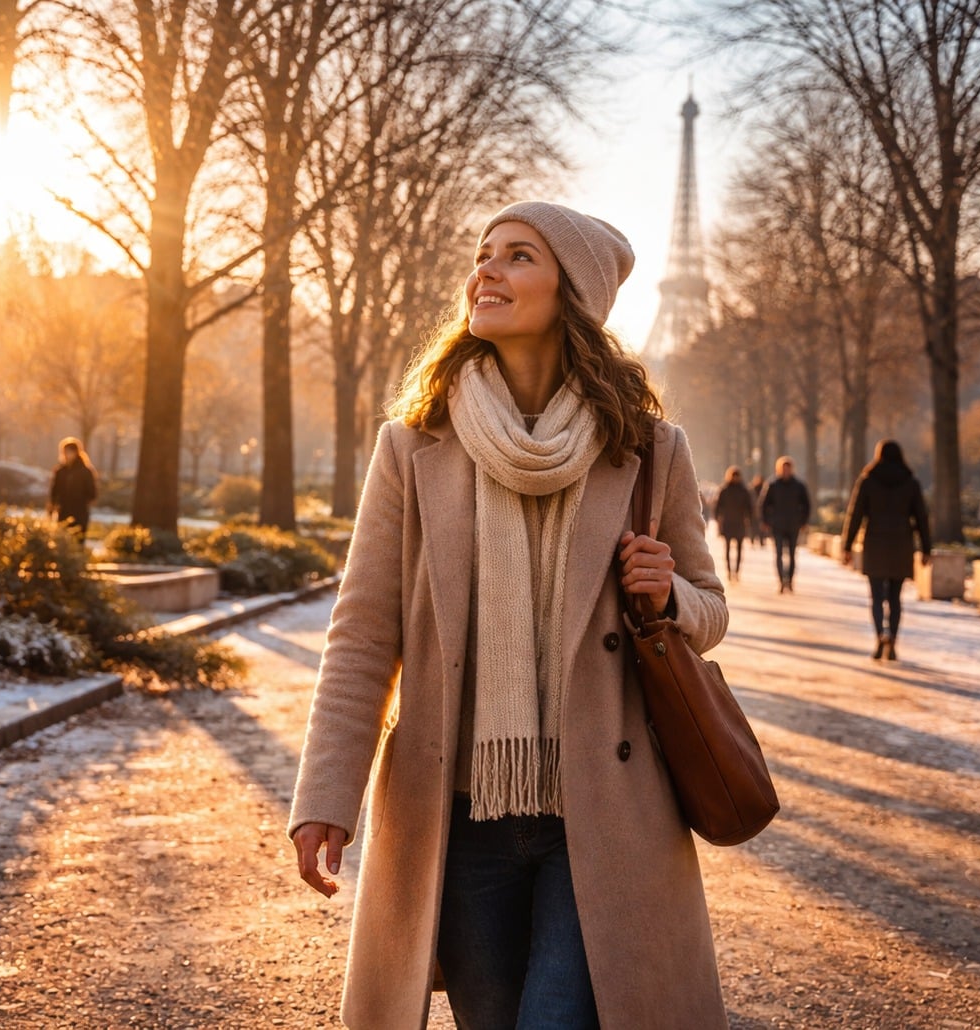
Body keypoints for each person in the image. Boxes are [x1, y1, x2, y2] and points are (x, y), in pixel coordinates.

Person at [288, 201, 729, 1028]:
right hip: (455, 816)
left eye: (518, 255)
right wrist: (326, 796)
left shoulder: (648, 450)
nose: (485, 270)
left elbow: (710, 615)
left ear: (574, 294)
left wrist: (670, 593)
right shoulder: (413, 448)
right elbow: (362, 635)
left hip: (601, 813)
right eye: (484, 254)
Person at [841, 439, 931, 661]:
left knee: (876, 597)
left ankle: (880, 635)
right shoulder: (910, 482)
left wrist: (848, 545)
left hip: (875, 543)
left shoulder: (868, 481)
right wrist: (927, 548)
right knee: (895, 598)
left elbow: (855, 514)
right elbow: (921, 518)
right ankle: (893, 640)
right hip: (901, 545)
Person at [760, 456, 811, 593]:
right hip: (777, 525)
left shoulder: (799, 485)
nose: (786, 471)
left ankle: (790, 580)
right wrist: (765, 521)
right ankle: (781, 580)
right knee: (778, 554)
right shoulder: (772, 484)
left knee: (793, 554)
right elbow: (764, 504)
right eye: (783, 468)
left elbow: (806, 505)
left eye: (788, 468)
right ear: (779, 469)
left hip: (794, 525)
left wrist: (804, 522)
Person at [47, 436, 97, 536]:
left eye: (69, 452)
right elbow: (54, 491)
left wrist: (82, 502)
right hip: (63, 512)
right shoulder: (60, 471)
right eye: (64, 452)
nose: (66, 455)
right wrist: (52, 507)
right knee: (63, 539)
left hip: (80, 513)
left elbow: (92, 493)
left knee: (78, 540)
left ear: (76, 452)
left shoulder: (85, 472)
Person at [713, 465, 754, 581]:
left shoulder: (744, 490)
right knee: (727, 548)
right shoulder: (724, 490)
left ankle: (737, 571)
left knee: (740, 548)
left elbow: (749, 507)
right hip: (728, 523)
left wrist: (749, 520)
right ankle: (729, 571)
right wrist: (718, 519)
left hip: (740, 523)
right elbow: (718, 506)